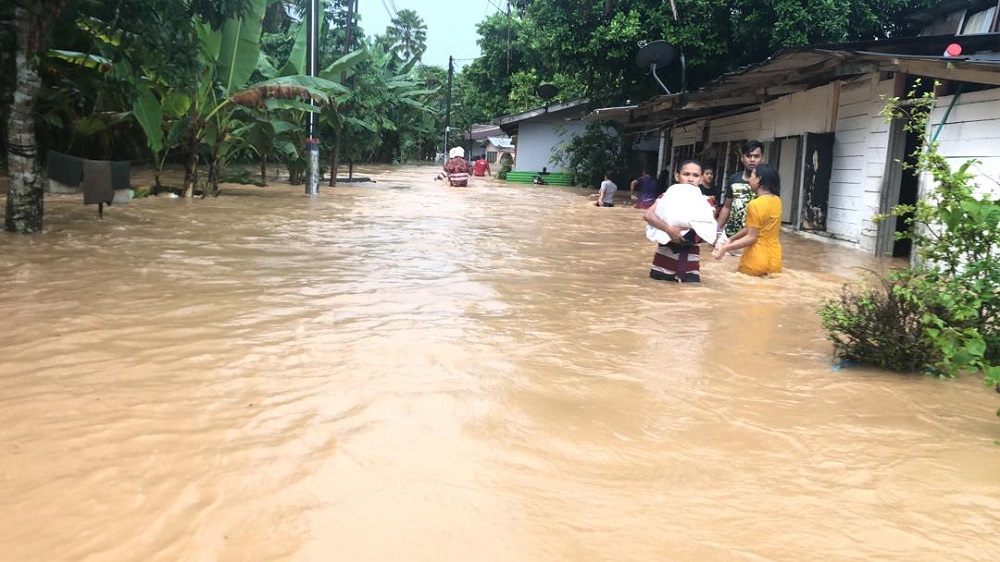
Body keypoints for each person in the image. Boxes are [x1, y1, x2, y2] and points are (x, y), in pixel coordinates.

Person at [644, 160, 721, 283]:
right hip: (663, 261)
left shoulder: (706, 201)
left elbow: (706, 225)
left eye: (695, 176)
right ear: (677, 176)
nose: (690, 179)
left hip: (691, 265)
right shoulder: (666, 196)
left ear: (701, 179)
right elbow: (648, 215)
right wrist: (668, 229)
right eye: (686, 174)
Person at [713, 163, 782, 276]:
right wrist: (732, 238)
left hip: (755, 260)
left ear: (759, 179)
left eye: (752, 176)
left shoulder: (755, 204)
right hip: (774, 259)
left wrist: (725, 248)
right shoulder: (777, 201)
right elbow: (753, 228)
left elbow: (751, 237)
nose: (749, 180)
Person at [718, 140, 764, 236]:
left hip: (755, 236)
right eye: (748, 156)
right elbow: (727, 206)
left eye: (756, 156)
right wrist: (717, 230)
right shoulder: (734, 179)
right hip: (732, 234)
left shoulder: (767, 181)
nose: (752, 159)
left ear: (762, 159)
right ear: (742, 158)